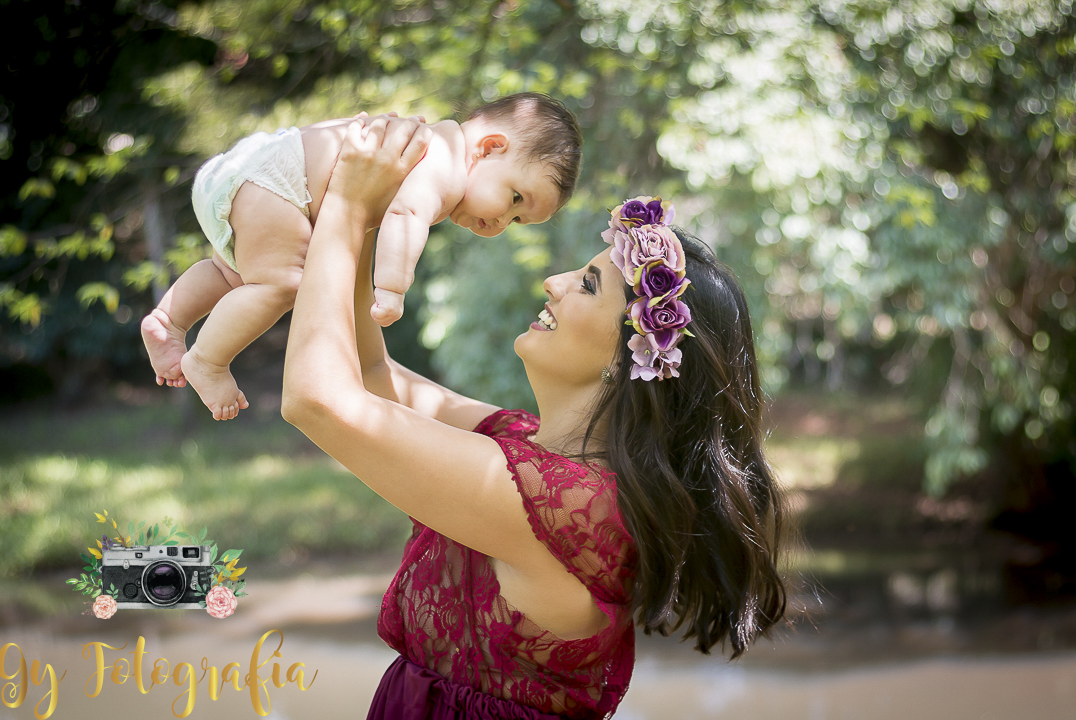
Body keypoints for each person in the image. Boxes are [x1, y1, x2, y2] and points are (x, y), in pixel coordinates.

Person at [281, 116, 787, 720]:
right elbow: (367, 378)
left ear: (628, 361)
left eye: (589, 285)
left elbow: (316, 399)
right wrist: (364, 213)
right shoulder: (523, 448)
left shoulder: (571, 508)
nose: (553, 282)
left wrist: (342, 204)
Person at [141, 93, 582, 420]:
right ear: (488, 148)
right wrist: (389, 288)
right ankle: (208, 360)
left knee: (236, 275)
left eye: (518, 220)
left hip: (251, 171)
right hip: (275, 182)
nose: (501, 221)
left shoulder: (436, 142)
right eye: (514, 198)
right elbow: (405, 215)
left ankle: (167, 321)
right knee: (282, 284)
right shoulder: (446, 163)